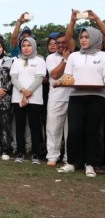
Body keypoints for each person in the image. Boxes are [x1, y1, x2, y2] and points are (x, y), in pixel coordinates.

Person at [57, 27, 105, 177]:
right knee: (74, 130)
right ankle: (71, 162)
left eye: (87, 37)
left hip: (97, 97)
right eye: (81, 37)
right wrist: (59, 82)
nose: (83, 39)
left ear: (95, 38)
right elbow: (67, 77)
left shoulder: (103, 56)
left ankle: (90, 164)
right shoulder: (73, 56)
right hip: (76, 96)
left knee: (92, 131)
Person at [10, 37, 46, 164]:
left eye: (29, 45)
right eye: (24, 45)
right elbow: (14, 79)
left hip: (35, 99)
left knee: (34, 126)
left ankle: (35, 154)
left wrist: (27, 93)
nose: (26, 47)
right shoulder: (16, 61)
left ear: (34, 47)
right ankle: (20, 152)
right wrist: (23, 91)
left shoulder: (40, 60)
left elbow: (39, 79)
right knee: (19, 126)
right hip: (18, 97)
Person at [45, 33, 72, 166]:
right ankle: (52, 156)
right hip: (56, 98)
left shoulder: (75, 56)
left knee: (70, 131)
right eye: (58, 42)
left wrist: (68, 57)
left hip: (73, 97)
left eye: (63, 42)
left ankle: (69, 158)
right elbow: (55, 75)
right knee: (53, 128)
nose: (60, 45)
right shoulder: (50, 57)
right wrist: (65, 60)